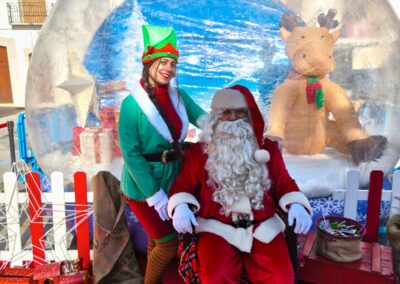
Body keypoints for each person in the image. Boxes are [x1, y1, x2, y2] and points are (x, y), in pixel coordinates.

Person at [167, 85, 313, 283]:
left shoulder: (267, 148)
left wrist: (296, 204)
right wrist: (181, 206)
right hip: (217, 229)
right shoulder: (200, 152)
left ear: (249, 115)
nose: (234, 118)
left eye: (240, 112)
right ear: (216, 116)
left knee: (281, 276)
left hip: (263, 228)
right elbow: (183, 186)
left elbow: (284, 183)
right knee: (215, 276)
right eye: (226, 112)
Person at [118, 25, 205, 284]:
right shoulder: (131, 105)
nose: (168, 68)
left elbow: (206, 120)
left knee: (158, 239)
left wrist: (235, 122)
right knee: (167, 243)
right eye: (163, 62)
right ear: (149, 63)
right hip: (142, 185)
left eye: (172, 63)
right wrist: (155, 196)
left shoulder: (180, 97)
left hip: (174, 178)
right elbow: (131, 155)